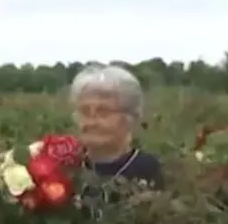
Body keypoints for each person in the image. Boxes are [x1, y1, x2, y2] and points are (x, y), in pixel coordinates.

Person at [69, 65, 163, 209]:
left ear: (131, 117)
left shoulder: (151, 171)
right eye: (84, 111)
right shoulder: (67, 168)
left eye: (103, 111)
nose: (91, 121)